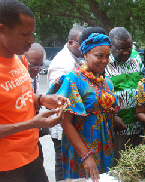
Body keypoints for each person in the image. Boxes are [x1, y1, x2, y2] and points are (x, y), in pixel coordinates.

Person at [0, 0, 69, 182]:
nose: (31, 41)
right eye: (24, 34)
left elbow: (19, 97)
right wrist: (31, 124)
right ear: (2, 29)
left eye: (32, 33)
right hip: (6, 167)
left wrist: (41, 99)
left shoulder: (19, 59)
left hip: (32, 155)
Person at [47, 28, 119, 181]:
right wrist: (86, 156)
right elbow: (66, 123)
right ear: (86, 54)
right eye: (99, 56)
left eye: (107, 56)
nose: (105, 60)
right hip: (82, 148)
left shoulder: (106, 82)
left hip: (105, 145)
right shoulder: (73, 80)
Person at [47, 25, 86, 181]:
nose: (85, 47)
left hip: (73, 124)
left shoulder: (77, 58)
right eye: (81, 43)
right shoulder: (62, 64)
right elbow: (57, 101)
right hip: (62, 125)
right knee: (63, 166)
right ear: (71, 42)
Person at [105, 27, 143, 164]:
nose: (126, 52)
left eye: (129, 47)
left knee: (139, 165)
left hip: (139, 124)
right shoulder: (104, 62)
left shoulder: (137, 57)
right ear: (111, 45)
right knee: (120, 166)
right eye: (121, 48)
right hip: (118, 128)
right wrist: (112, 116)